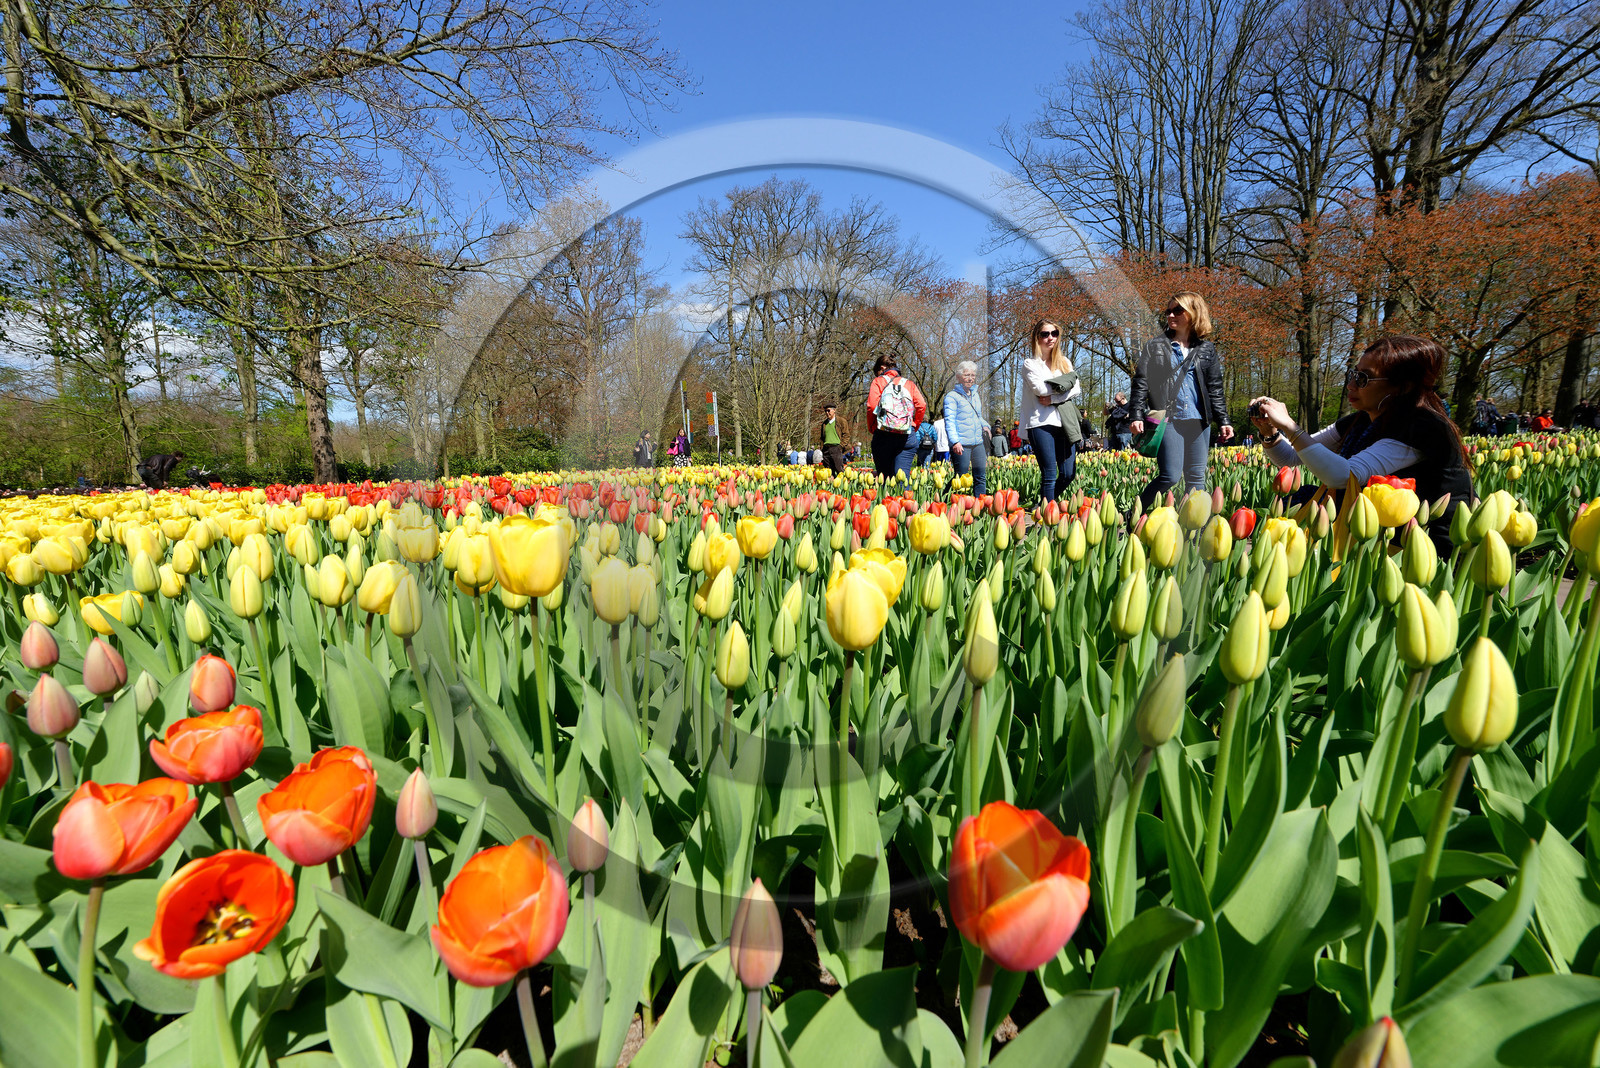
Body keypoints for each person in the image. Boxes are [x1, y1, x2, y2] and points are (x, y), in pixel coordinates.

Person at [1248, 334, 1472, 552]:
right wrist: (1271, 432)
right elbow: (1291, 458)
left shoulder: (1423, 426)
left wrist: (1290, 426)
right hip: (1383, 535)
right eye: (1352, 375)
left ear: (1402, 387)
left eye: (1363, 378)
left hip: (1427, 544)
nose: (1351, 385)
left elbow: (1344, 476)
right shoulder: (1362, 420)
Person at [1129, 292, 1235, 509]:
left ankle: (1193, 533)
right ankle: (1133, 515)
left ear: (1194, 312)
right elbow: (1141, 382)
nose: (1170, 315)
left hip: (1198, 420)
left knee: (1196, 480)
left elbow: (1215, 388)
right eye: (1168, 311)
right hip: (1169, 419)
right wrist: (1136, 414)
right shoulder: (1155, 346)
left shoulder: (1206, 349)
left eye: (1177, 310)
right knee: (1170, 475)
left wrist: (1224, 420)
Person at [1022, 318, 1083, 501]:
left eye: (1054, 333)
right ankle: (1049, 522)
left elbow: (1077, 389)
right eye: (1045, 334)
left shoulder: (1064, 362)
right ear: (1037, 338)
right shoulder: (1030, 364)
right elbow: (1039, 390)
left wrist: (1054, 398)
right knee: (1049, 474)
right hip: (1040, 423)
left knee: (1068, 473)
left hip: (1065, 423)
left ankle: (1045, 507)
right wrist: (1065, 386)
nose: (1051, 337)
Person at [865, 354, 927, 479]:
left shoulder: (878, 381)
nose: (878, 376)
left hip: (883, 435)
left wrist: (873, 427)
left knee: (885, 479)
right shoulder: (909, 384)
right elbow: (921, 405)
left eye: (878, 372)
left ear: (882, 368)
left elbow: (872, 406)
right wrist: (915, 424)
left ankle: (886, 498)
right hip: (906, 436)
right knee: (902, 479)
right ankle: (905, 498)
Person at [943, 360, 988, 496]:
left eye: (973, 375)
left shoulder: (975, 394)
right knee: (960, 477)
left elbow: (978, 416)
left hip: (977, 442)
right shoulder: (952, 397)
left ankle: (979, 506)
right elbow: (949, 421)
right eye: (967, 375)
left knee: (980, 476)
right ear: (958, 377)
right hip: (961, 443)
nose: (970, 378)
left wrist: (985, 426)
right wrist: (955, 441)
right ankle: (946, 501)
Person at [820, 404, 847, 474]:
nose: (827, 413)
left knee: (839, 470)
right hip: (826, 449)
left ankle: (841, 484)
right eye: (825, 411)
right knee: (828, 471)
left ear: (834, 410)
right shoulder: (824, 424)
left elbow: (846, 435)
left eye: (828, 410)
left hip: (836, 448)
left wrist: (840, 446)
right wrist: (822, 447)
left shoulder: (841, 421)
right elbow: (822, 437)